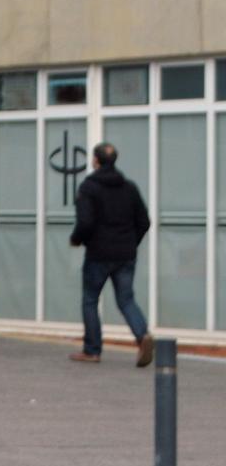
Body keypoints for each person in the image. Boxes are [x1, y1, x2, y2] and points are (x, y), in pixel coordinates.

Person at [69, 142, 154, 367]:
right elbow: (144, 222)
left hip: (98, 254)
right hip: (125, 254)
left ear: (95, 161)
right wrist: (130, 242)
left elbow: (85, 222)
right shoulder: (129, 187)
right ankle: (142, 335)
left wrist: (76, 239)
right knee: (126, 299)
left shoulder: (89, 187)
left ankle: (92, 350)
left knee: (90, 300)